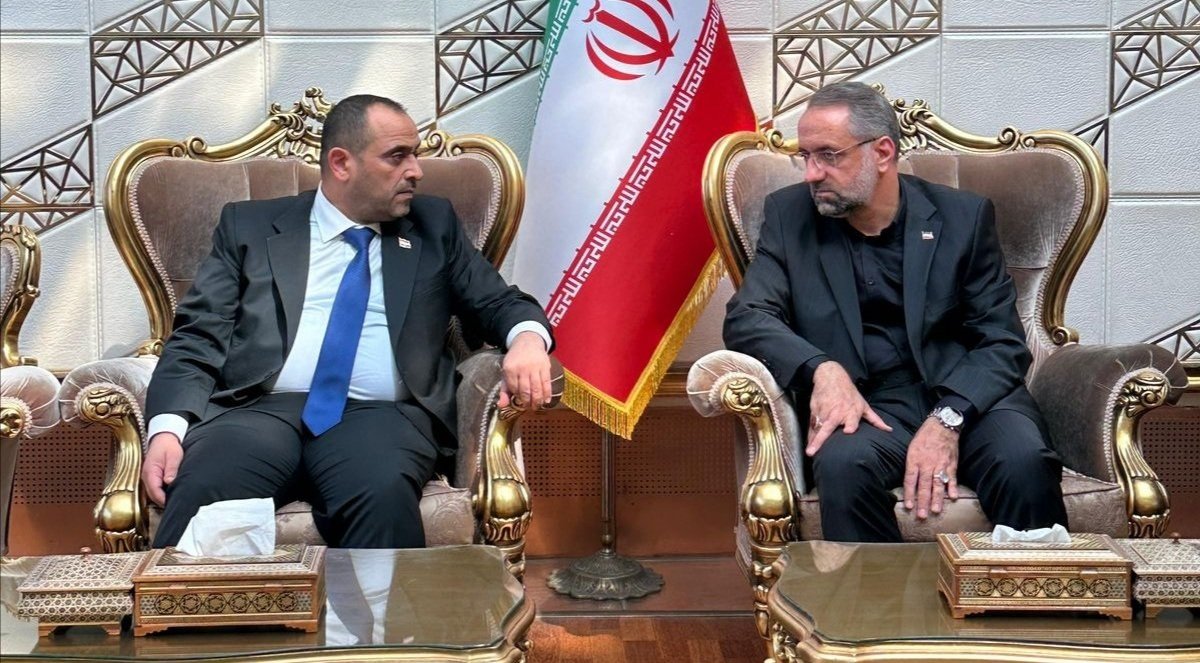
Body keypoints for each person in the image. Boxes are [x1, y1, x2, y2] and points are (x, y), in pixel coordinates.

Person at [140, 94, 554, 548]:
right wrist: (166, 429)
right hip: (257, 411)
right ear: (341, 163)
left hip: (380, 418)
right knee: (203, 486)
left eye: (415, 154)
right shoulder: (250, 227)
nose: (416, 170)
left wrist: (527, 340)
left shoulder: (433, 226)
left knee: (381, 493)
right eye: (397, 156)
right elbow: (197, 336)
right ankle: (175, 600)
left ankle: (382, 601)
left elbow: (498, 302)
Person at [724, 82, 1067, 542]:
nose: (811, 173)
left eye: (828, 155)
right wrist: (822, 369)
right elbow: (747, 316)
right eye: (805, 156)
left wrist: (947, 419)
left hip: (969, 398)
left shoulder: (962, 218)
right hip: (868, 406)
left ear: (882, 152)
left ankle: (1037, 588)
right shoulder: (790, 217)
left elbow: (1002, 342)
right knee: (843, 465)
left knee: (1023, 462)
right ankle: (873, 594)